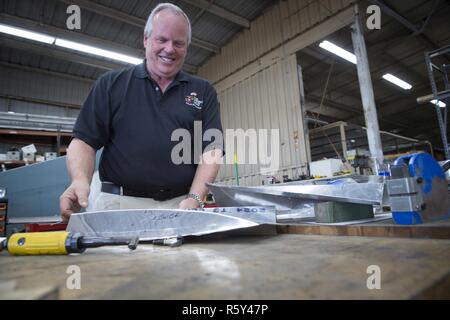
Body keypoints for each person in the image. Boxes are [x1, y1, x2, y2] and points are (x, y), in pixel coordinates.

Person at [60, 3, 223, 222]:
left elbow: (211, 151)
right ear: (146, 39)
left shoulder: (203, 91)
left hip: (182, 205)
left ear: (186, 47)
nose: (169, 49)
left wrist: (195, 198)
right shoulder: (110, 85)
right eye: (161, 40)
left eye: (178, 43)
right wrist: (79, 180)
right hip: (119, 205)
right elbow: (84, 142)